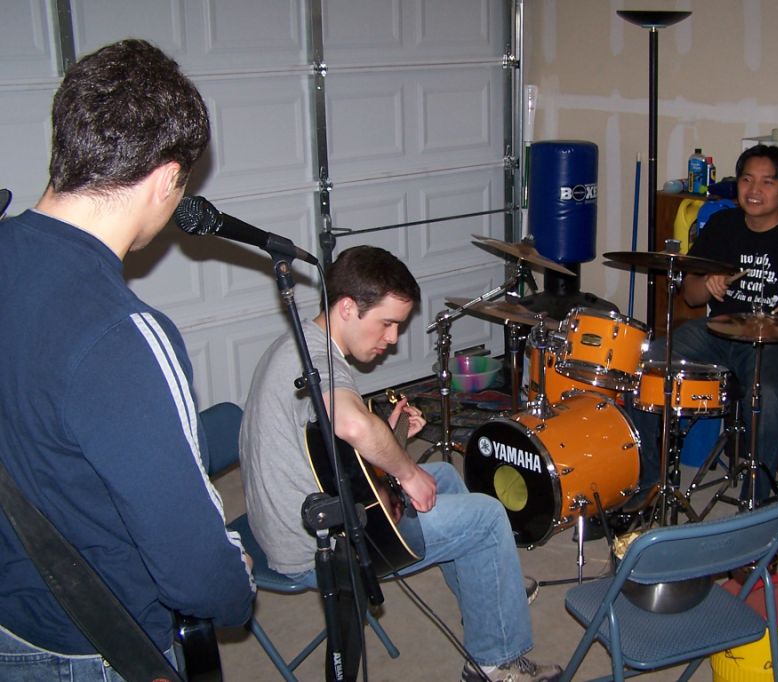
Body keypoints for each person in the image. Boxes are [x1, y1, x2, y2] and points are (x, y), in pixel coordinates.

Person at [0, 39, 255, 679]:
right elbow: (195, 569)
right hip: (91, 645)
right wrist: (235, 586)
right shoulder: (123, 335)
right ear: (168, 178)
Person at [239, 245, 561, 682]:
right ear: (347, 308)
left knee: (441, 476)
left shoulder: (298, 342)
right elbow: (352, 425)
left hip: (299, 512)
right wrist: (405, 471)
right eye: (387, 323)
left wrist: (390, 437)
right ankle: (495, 662)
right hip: (312, 546)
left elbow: (329, 452)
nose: (392, 339)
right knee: (487, 517)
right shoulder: (318, 361)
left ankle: (489, 592)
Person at [631, 144, 778, 502]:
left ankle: (755, 502)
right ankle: (649, 481)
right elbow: (692, 296)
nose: (755, 190)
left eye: (767, 182)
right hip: (718, 333)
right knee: (650, 364)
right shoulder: (722, 225)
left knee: (767, 396)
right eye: (747, 180)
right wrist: (707, 284)